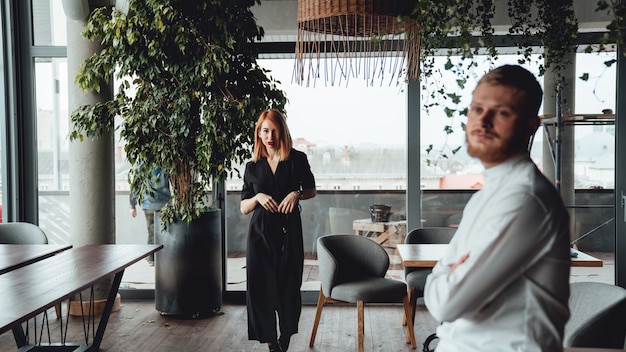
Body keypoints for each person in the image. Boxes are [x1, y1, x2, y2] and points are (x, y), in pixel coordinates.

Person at [423, 65, 571, 351]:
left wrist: (445, 272)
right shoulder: (491, 192)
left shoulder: (523, 198)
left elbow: (446, 304)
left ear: (531, 125)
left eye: (502, 112)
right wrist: (449, 272)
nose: (484, 121)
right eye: (477, 109)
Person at [240, 109, 316, 352]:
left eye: (274, 130)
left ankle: (285, 339)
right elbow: (243, 207)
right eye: (265, 131)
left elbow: (312, 190)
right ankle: (272, 345)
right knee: (260, 290)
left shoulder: (297, 159)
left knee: (288, 287)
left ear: (282, 131)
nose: (269, 135)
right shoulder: (252, 166)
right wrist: (258, 197)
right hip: (259, 236)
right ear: (259, 134)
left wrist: (296, 194)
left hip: (288, 234)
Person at [129, 167, 171, 265]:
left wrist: (132, 205)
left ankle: (152, 258)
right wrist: (132, 205)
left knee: (152, 231)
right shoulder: (165, 164)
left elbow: (135, 185)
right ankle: (154, 257)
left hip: (150, 203)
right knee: (163, 231)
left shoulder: (143, 164)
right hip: (162, 203)